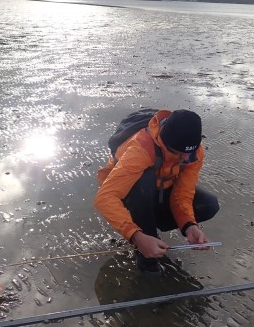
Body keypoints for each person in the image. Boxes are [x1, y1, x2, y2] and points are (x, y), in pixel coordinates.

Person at [94, 109, 220, 275]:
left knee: (208, 204)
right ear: (165, 143)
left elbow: (182, 194)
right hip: (130, 193)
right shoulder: (140, 148)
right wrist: (136, 236)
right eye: (178, 154)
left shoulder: (194, 154)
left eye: (189, 155)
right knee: (144, 180)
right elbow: (105, 198)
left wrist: (189, 225)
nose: (184, 159)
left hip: (161, 191)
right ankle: (146, 249)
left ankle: (151, 230)